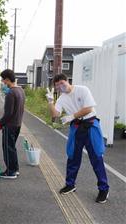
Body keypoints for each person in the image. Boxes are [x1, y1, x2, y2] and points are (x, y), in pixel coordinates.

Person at [46, 73, 109, 203]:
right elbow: (55, 114)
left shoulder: (82, 89)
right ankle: (70, 184)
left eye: (61, 83)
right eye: (57, 85)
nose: (60, 87)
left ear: (67, 81)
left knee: (96, 157)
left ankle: (103, 189)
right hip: (76, 127)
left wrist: (71, 116)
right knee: (73, 156)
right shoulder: (62, 98)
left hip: (90, 124)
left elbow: (88, 108)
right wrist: (50, 102)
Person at [0, 69, 25, 179]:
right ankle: (15, 169)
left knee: (7, 148)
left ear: (7, 79)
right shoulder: (21, 91)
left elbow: (8, 113)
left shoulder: (10, 93)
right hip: (18, 124)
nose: (3, 83)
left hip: (10, 125)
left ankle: (10, 172)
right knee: (12, 147)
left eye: (3, 80)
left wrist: (0, 123)